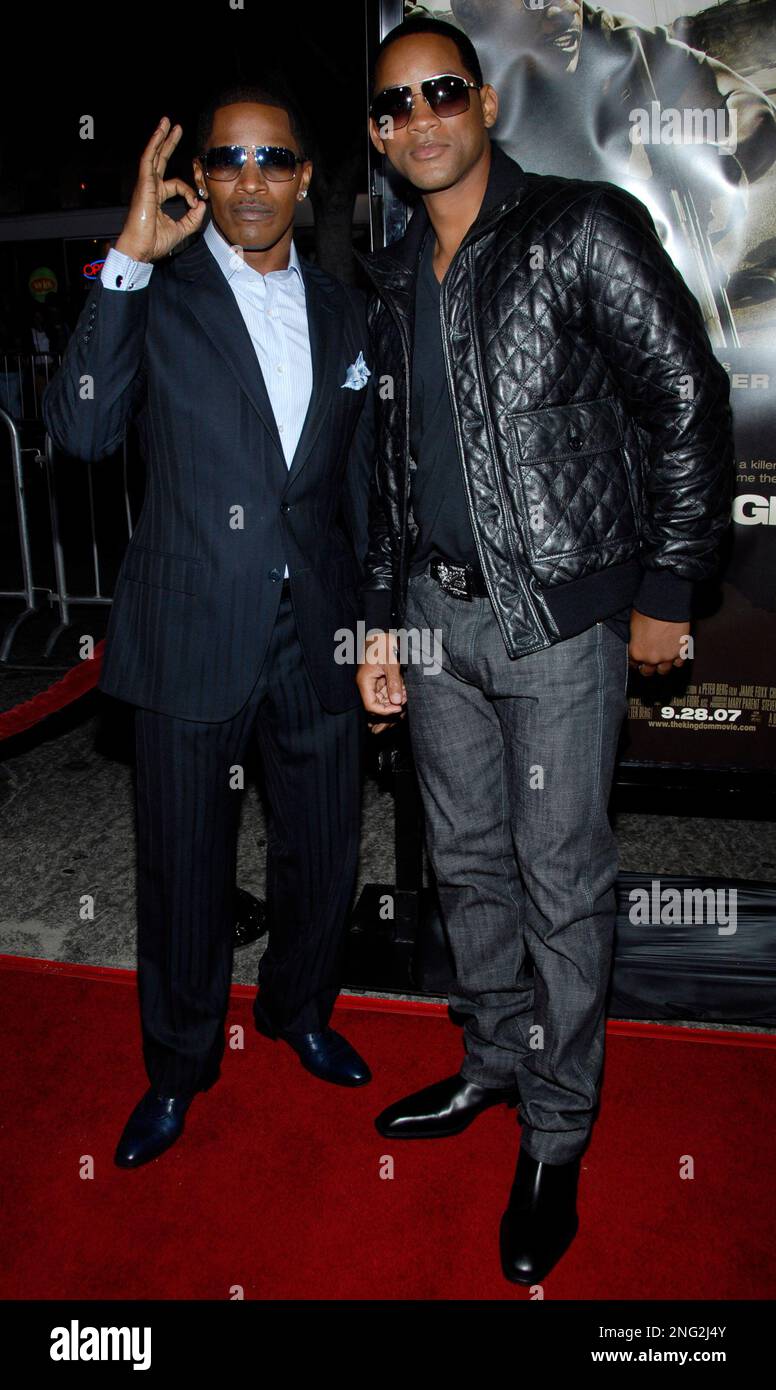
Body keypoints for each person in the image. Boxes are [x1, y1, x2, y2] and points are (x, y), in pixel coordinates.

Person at [355, 15, 734, 1284]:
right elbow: (387, 476)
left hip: (563, 629)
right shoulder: (394, 271)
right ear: (377, 130)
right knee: (466, 866)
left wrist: (667, 585)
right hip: (435, 617)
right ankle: (493, 1064)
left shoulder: (578, 225)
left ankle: (556, 1133)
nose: (421, 118)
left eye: (442, 90)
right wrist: (381, 622)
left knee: (559, 877)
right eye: (395, 103)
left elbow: (683, 396)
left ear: (482, 103)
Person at [43, 84, 378, 1170]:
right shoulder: (164, 291)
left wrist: (377, 625)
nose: (248, 178)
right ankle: (180, 1065)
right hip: (192, 628)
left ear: (304, 175)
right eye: (227, 158)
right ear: (202, 176)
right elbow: (85, 429)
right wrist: (128, 255)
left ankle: (299, 1009)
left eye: (272, 158)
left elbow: (363, 487)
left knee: (322, 848)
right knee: (185, 867)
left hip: (317, 627)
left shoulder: (345, 310)